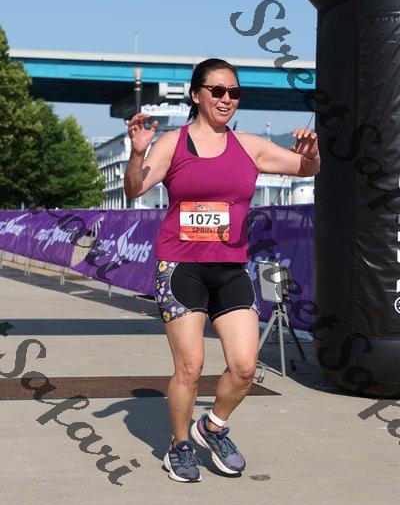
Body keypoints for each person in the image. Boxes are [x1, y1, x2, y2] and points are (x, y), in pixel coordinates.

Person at [124, 58, 320, 483]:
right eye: (217, 91)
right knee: (191, 367)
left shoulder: (249, 146)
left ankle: (212, 427)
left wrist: (311, 154)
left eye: (234, 92)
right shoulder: (173, 143)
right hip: (180, 267)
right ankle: (179, 446)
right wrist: (138, 153)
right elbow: (135, 188)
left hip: (230, 268)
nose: (226, 98)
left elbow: (304, 168)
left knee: (245, 367)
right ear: (197, 95)